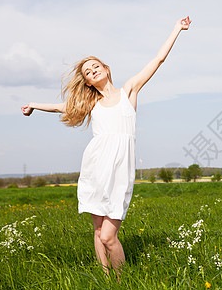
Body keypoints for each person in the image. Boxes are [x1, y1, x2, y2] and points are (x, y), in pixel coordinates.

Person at [21, 16, 191, 272]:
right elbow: (60, 106)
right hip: (95, 167)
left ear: (106, 68)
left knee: (108, 236)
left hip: (120, 169)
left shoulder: (129, 91)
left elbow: (157, 60)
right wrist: (34, 105)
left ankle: (122, 282)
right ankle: (105, 278)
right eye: (88, 72)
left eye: (95, 66)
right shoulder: (91, 103)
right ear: (88, 82)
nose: (92, 71)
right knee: (98, 230)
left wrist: (177, 29)